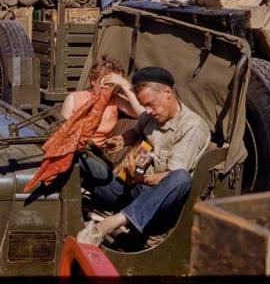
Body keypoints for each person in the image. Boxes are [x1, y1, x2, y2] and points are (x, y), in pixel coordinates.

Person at [76, 67, 211, 246]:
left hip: (157, 204)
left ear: (167, 93)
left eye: (150, 104)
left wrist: (141, 179)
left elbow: (173, 177)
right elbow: (135, 131)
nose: (147, 110)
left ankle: (110, 223)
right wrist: (120, 140)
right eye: (144, 105)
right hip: (131, 189)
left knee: (181, 177)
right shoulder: (151, 116)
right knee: (80, 157)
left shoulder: (191, 127)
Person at [60, 55, 144, 149]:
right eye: (104, 82)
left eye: (112, 84)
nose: (107, 87)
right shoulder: (74, 99)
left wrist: (124, 84)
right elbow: (61, 133)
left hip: (96, 154)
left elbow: (143, 113)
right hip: (73, 149)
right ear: (93, 81)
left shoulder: (115, 100)